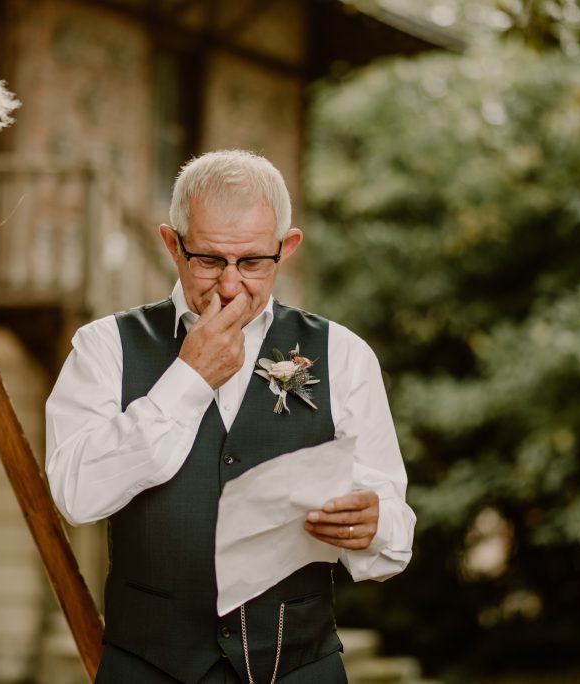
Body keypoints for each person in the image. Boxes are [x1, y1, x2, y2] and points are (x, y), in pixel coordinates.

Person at [45, 150, 415, 683]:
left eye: (252, 262)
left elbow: (394, 532)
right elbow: (75, 495)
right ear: (173, 244)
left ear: (285, 249)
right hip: (148, 667)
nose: (229, 286)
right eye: (209, 260)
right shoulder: (105, 346)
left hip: (299, 668)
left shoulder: (344, 354)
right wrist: (187, 380)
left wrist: (374, 525)